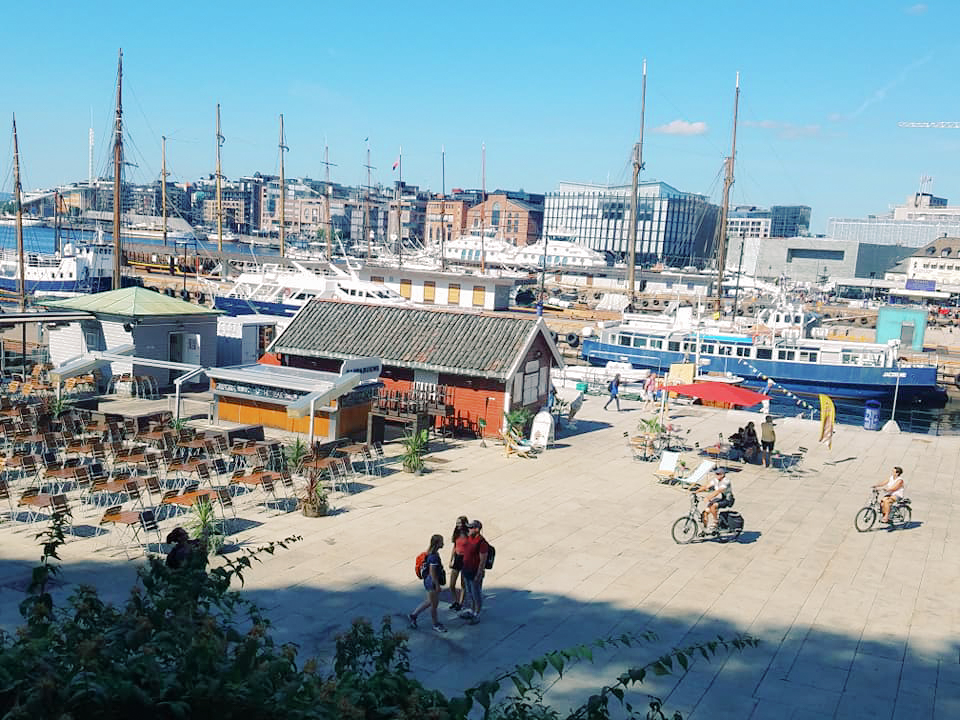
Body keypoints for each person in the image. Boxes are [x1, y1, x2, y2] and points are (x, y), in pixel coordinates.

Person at [409, 534, 447, 633]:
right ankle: (435, 624)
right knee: (434, 605)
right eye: (441, 542)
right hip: (432, 583)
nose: (443, 543)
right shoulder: (434, 557)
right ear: (437, 544)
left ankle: (414, 615)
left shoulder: (429, 553)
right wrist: (437, 585)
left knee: (430, 601)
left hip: (428, 581)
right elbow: (432, 572)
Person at [458, 520, 490, 624]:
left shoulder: (482, 542)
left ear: (477, 529)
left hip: (474, 572)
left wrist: (479, 574)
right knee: (469, 592)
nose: (469, 529)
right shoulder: (470, 538)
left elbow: (483, 561)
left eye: (471, 527)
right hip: (466, 570)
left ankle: (477, 614)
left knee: (476, 594)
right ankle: (471, 610)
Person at [694, 468, 734, 535]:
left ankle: (716, 522)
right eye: (716, 474)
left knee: (713, 505)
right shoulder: (715, 480)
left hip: (727, 499)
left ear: (722, 475)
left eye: (718, 474)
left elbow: (718, 491)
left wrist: (708, 497)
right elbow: (706, 486)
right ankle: (704, 530)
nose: (716, 475)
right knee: (705, 512)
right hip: (720, 498)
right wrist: (695, 492)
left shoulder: (726, 481)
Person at [448, 516, 470, 611]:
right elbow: (454, 546)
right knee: (451, 584)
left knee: (463, 584)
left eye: (460, 523)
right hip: (457, 558)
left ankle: (460, 603)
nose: (458, 525)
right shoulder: (456, 533)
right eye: (457, 523)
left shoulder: (468, 535)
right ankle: (455, 601)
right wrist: (451, 559)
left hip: (465, 559)